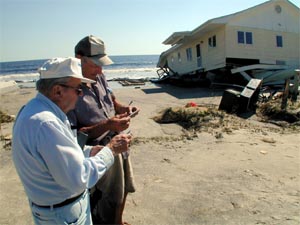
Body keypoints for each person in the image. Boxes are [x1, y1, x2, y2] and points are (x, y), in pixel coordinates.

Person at [12, 57, 132, 225]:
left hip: (55, 211)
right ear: (58, 91)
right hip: (64, 214)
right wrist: (110, 150)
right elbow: (79, 178)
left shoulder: (34, 110)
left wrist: (89, 151)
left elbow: (55, 155)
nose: (81, 94)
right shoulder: (47, 124)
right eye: (78, 89)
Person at [67, 35, 139, 225]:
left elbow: (112, 100)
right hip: (98, 150)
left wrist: (123, 109)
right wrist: (108, 125)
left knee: (124, 186)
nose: (100, 69)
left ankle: (118, 222)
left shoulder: (98, 76)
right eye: (96, 64)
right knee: (108, 194)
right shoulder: (69, 88)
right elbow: (75, 135)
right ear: (79, 58)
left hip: (120, 139)